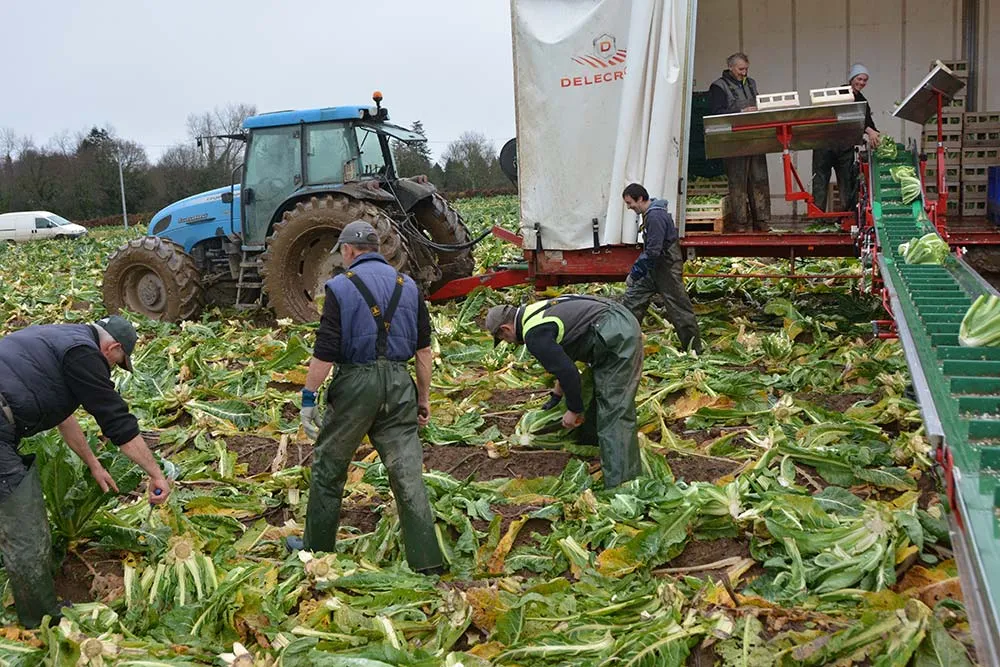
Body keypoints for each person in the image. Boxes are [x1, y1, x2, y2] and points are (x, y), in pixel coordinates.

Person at [0, 315, 171, 628]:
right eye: (118, 363)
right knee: (26, 524)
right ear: (112, 347)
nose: (112, 372)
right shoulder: (84, 354)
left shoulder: (61, 338)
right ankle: (40, 622)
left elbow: (63, 417)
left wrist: (93, 463)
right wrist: (155, 474)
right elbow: (116, 422)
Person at [292, 220, 443, 574]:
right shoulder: (408, 287)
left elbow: (325, 352)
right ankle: (427, 562)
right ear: (376, 248)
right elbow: (424, 352)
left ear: (347, 250)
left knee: (330, 468)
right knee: (407, 472)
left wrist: (309, 398)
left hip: (356, 384)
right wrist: (423, 397)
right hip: (399, 382)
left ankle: (317, 551)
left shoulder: (340, 288)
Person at [484, 295, 642, 488]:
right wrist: (557, 395)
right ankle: (593, 445)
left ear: (505, 329)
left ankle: (624, 485)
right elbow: (565, 357)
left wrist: (573, 409)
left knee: (615, 408)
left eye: (502, 338)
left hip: (615, 333)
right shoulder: (535, 311)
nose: (507, 342)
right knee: (593, 392)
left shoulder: (534, 335)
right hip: (612, 321)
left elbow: (569, 372)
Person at [621, 183, 702, 353]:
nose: (629, 207)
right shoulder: (650, 214)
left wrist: (635, 273)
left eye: (630, 203)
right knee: (631, 301)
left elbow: (653, 252)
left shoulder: (655, 217)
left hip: (666, 269)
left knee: (679, 310)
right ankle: (624, 344)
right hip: (654, 268)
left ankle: (694, 350)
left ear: (640, 198)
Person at [708, 52, 771, 232]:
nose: (744, 72)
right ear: (731, 67)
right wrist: (741, 110)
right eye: (741, 69)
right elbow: (716, 113)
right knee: (738, 182)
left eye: (746, 69)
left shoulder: (751, 83)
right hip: (733, 142)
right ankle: (740, 222)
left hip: (755, 138)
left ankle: (762, 220)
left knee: (760, 179)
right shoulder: (718, 87)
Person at [812, 63, 881, 213]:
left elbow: (868, 122)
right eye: (859, 79)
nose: (861, 83)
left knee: (847, 183)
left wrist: (877, 135)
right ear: (851, 78)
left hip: (845, 148)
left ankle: (847, 217)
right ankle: (818, 217)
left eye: (864, 80)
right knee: (820, 181)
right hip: (825, 145)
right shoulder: (840, 93)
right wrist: (869, 131)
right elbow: (844, 117)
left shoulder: (862, 100)